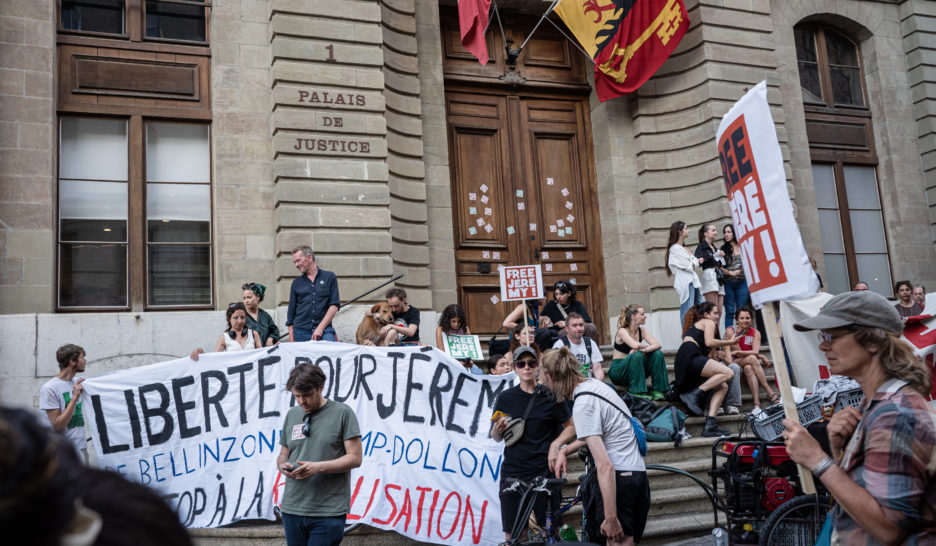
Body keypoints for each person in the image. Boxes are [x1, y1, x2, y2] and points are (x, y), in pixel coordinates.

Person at [782, 290, 936, 545]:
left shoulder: (895, 414)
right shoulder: (873, 406)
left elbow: (888, 528)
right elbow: (860, 498)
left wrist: (816, 459)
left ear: (873, 341)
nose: (823, 345)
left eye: (832, 335)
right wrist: (837, 450)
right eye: (822, 336)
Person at [544, 347, 650, 545]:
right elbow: (597, 433)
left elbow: (605, 466)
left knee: (616, 539)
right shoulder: (594, 385)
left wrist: (610, 518)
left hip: (618, 478)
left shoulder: (583, 403)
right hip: (636, 475)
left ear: (550, 377)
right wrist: (565, 449)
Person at [490, 345, 574, 541]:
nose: (526, 367)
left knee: (549, 531)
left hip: (544, 471)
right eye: (521, 363)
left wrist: (556, 445)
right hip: (514, 471)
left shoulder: (551, 395)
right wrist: (497, 430)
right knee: (515, 533)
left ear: (538, 367)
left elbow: (571, 427)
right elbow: (496, 437)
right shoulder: (505, 398)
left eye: (531, 363)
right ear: (515, 368)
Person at [277, 363, 362, 546]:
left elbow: (355, 458)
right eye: (297, 396)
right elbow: (284, 454)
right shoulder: (292, 414)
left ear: (320, 387)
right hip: (292, 509)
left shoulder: (343, 413)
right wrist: (282, 466)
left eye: (306, 395)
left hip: (327, 511)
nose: (301, 401)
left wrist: (318, 467)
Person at [673, 302, 737, 436]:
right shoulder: (708, 322)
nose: (718, 316)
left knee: (723, 386)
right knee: (729, 372)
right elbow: (709, 342)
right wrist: (729, 343)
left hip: (686, 361)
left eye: (718, 313)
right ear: (706, 314)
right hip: (689, 356)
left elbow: (706, 351)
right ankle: (694, 394)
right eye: (715, 313)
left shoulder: (698, 327)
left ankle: (710, 423)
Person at [724, 306, 778, 418]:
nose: (745, 321)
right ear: (737, 320)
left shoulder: (755, 333)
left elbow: (753, 351)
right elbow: (739, 353)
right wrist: (759, 355)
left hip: (747, 364)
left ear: (751, 319)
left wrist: (758, 354)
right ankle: (770, 392)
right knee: (752, 359)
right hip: (733, 363)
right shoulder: (731, 331)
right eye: (742, 318)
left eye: (747, 318)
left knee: (749, 367)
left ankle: (756, 404)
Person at [39, 344, 89, 462]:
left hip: (81, 448)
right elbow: (57, 425)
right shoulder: (49, 388)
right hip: (61, 452)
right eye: (82, 358)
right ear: (72, 362)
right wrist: (74, 397)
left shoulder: (77, 382)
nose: (85, 361)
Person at [608, 304, 667, 400]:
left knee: (657, 353)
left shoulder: (641, 331)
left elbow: (657, 345)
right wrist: (642, 348)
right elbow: (635, 345)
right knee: (637, 354)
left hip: (636, 369)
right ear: (633, 316)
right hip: (619, 371)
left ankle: (658, 390)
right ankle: (637, 392)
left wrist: (645, 350)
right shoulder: (622, 331)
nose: (645, 316)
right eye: (642, 314)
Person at [287, 246, 340, 342]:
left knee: (331, 352)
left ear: (309, 257)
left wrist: (320, 328)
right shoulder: (296, 283)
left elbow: (334, 305)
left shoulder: (329, 277)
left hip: (325, 330)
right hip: (300, 331)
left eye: (298, 260)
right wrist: (291, 336)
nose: (296, 265)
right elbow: (291, 312)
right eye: (294, 262)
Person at [190, 302, 264, 360]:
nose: (239, 321)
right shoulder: (224, 338)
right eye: (236, 318)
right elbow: (214, 360)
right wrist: (201, 353)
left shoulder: (254, 334)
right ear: (229, 319)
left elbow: (263, 355)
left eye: (242, 317)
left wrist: (275, 349)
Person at [665, 221, 704, 327]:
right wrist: (694, 262)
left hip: (694, 281)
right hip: (686, 282)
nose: (688, 230)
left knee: (702, 309)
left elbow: (695, 262)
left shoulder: (684, 248)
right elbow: (689, 265)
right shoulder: (675, 249)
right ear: (680, 231)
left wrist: (694, 262)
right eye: (686, 228)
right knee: (688, 311)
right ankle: (687, 337)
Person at [552, 313, 605, 380]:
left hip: (588, 382)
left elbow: (597, 369)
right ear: (567, 329)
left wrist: (598, 384)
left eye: (581, 325)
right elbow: (556, 372)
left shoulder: (590, 343)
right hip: (569, 384)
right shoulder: (560, 345)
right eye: (574, 325)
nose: (579, 328)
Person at [720, 224, 749, 328]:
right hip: (729, 284)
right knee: (730, 311)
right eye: (725, 232)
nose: (726, 234)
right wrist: (729, 272)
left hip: (743, 283)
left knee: (742, 311)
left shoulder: (743, 246)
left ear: (734, 233)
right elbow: (719, 267)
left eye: (729, 232)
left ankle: (742, 337)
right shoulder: (723, 249)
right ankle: (729, 338)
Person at [695, 223, 725, 320]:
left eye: (715, 230)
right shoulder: (701, 247)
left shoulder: (714, 247)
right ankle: (711, 333)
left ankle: (716, 334)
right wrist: (712, 256)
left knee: (719, 311)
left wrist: (721, 255)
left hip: (718, 275)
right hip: (709, 275)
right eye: (713, 230)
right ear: (706, 233)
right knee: (713, 310)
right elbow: (697, 261)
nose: (716, 232)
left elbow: (721, 264)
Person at [242, 282, 280, 346]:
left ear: (258, 297)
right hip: (250, 353)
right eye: (244, 298)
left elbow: (275, 331)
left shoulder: (265, 316)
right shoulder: (241, 316)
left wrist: (271, 338)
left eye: (249, 297)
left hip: (265, 353)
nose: (246, 301)